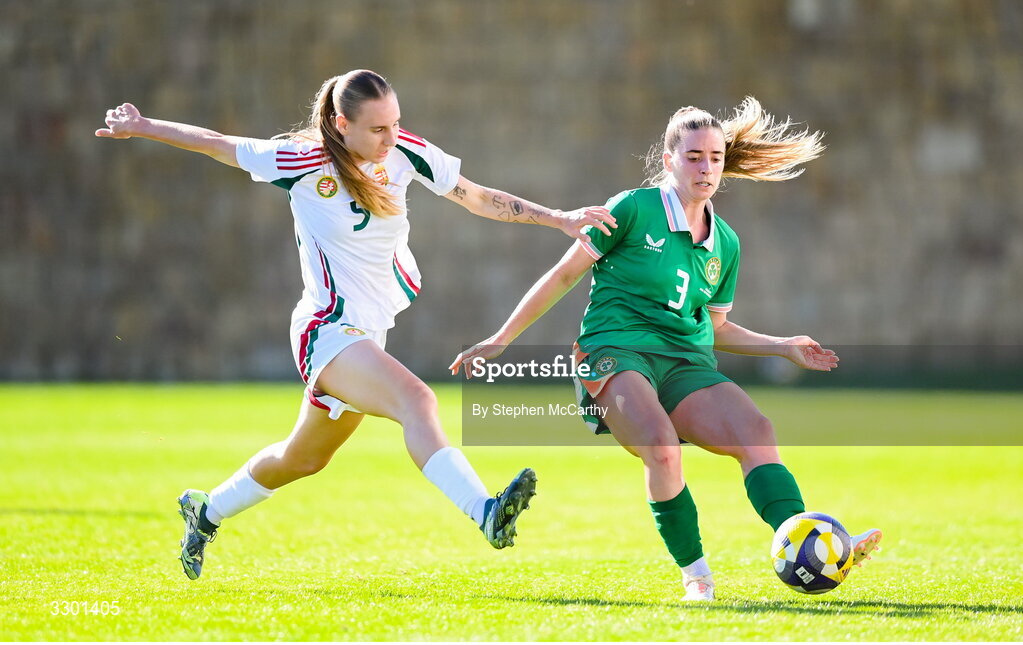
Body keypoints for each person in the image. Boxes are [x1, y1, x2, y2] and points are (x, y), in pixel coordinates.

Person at [96, 69, 617, 580]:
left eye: (395, 124)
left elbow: (476, 197)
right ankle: (485, 512)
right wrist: (143, 127)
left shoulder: (405, 151)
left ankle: (205, 512)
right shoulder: (299, 160)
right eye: (378, 129)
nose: (392, 138)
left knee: (301, 459)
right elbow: (214, 141)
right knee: (418, 400)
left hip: (367, 332)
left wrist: (559, 218)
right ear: (340, 124)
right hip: (326, 329)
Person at [450, 97, 881, 601]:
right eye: (694, 156)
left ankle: (815, 547)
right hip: (614, 352)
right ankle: (696, 576)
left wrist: (782, 346)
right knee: (662, 447)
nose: (706, 167)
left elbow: (716, 328)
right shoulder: (631, 208)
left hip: (685, 362)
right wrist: (502, 338)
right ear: (668, 160)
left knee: (757, 432)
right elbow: (564, 274)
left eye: (715, 157)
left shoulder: (726, 242)